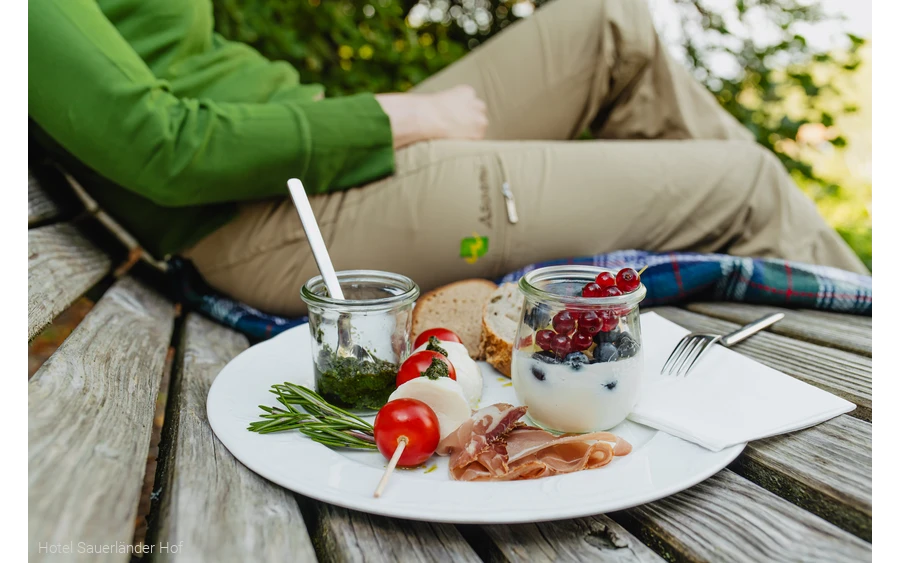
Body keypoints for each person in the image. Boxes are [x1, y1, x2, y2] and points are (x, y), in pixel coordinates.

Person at [27, 0, 869, 317]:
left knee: (610, 23)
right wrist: (394, 116)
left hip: (320, 161)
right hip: (279, 220)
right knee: (749, 186)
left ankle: (727, 308)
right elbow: (163, 146)